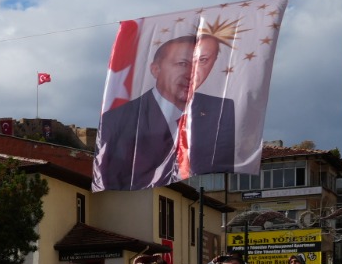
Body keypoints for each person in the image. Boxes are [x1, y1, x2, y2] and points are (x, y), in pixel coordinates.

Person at [95, 32, 237, 190]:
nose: (192, 74)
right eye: (182, 64)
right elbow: (112, 178)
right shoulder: (118, 119)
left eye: (202, 62)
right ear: (156, 69)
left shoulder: (222, 110)